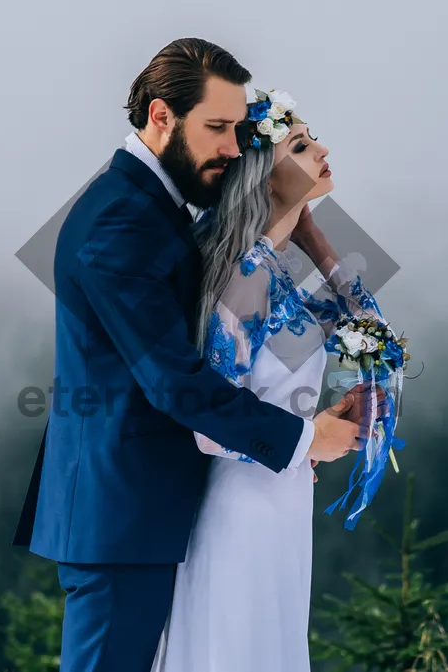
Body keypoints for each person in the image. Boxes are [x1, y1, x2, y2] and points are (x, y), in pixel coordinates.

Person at [12, 38, 372, 672]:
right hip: (122, 515)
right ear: (160, 116)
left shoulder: (156, 207)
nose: (232, 149)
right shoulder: (118, 219)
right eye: (218, 128)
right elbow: (174, 381)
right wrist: (298, 439)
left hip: (157, 508)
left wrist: (302, 222)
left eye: (238, 131)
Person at [149, 87, 392, 672]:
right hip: (243, 515)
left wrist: (315, 239)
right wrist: (313, 438)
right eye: (303, 145)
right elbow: (208, 427)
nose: (323, 150)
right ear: (264, 174)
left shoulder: (275, 273)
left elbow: (374, 336)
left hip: (280, 508)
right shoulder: (247, 275)